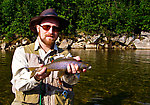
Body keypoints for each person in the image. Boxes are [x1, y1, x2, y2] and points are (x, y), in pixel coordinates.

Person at [11, 8, 85, 105]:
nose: (51, 31)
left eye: (55, 28)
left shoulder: (66, 55)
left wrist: (69, 74)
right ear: (38, 28)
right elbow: (18, 84)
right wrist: (36, 78)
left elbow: (72, 82)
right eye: (46, 27)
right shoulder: (21, 52)